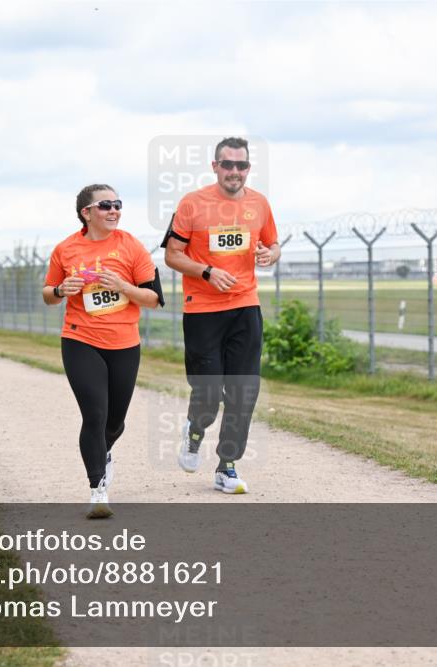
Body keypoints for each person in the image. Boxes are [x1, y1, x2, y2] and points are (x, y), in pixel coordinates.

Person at [162, 137, 280, 494]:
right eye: (227, 164)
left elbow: (273, 244)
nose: (234, 171)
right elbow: (172, 255)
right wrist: (207, 272)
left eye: (241, 165)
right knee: (209, 392)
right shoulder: (192, 203)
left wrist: (271, 254)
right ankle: (195, 430)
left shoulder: (259, 203)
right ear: (215, 167)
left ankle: (227, 466)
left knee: (244, 391)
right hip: (203, 310)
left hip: (245, 306)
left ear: (248, 168)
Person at [44, 184, 163, 518]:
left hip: (124, 343)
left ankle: (104, 451)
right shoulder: (66, 249)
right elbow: (48, 295)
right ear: (86, 213)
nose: (114, 211)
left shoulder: (131, 246)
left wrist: (122, 286)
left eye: (117, 205)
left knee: (114, 422)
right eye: (106, 205)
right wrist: (60, 289)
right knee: (94, 415)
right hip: (80, 339)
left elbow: (154, 299)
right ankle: (98, 489)